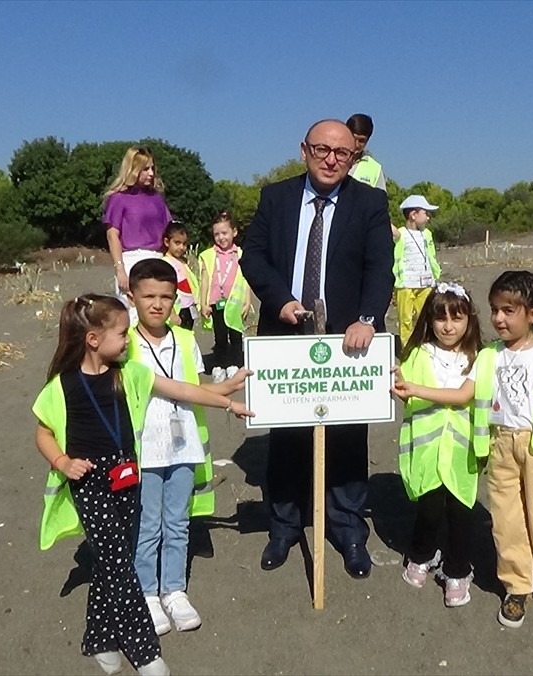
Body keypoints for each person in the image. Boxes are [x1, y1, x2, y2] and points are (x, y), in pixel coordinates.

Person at [31, 293, 252, 676]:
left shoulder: (131, 373)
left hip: (127, 475)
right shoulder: (62, 386)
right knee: (120, 564)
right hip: (89, 480)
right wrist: (62, 461)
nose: (129, 339)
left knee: (111, 559)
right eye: (121, 333)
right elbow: (43, 432)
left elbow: (183, 389)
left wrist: (227, 399)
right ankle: (145, 650)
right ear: (94, 340)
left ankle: (99, 637)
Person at [239, 118, 394, 578]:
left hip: (349, 341)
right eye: (323, 150)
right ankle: (284, 527)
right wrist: (280, 300)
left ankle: (347, 528)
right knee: (287, 438)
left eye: (342, 154)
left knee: (347, 438)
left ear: (354, 158)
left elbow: (379, 267)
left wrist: (366, 318)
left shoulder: (370, 202)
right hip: (286, 336)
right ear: (304, 150)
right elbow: (255, 256)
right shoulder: (276, 197)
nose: (331, 160)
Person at [393, 271, 533, 628]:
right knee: (506, 522)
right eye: (495, 310)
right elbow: (464, 395)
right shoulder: (488, 356)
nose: (499, 318)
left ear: (532, 315)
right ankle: (516, 586)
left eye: (509, 311)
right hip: (499, 447)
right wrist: (413, 388)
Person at [125, 259, 248, 636]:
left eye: (166, 296)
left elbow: (193, 387)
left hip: (183, 448)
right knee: (147, 525)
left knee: (177, 522)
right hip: (144, 450)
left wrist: (228, 386)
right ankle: (146, 593)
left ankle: (174, 590)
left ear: (177, 299)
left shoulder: (185, 340)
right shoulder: (124, 342)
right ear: (132, 297)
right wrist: (226, 400)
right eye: (148, 296)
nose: (157, 304)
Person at [393, 282, 484, 608]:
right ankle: (421, 554)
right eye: (441, 319)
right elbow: (400, 388)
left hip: (462, 452)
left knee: (461, 512)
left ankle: (458, 569)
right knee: (429, 508)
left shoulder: (479, 358)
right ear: (429, 321)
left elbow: (464, 398)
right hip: (428, 450)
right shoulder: (418, 355)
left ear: (469, 320)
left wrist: (414, 388)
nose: (448, 327)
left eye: (457, 319)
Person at [102, 146, 173, 306]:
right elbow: (112, 235)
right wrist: (120, 270)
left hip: (158, 258)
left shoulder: (157, 198)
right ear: (133, 170)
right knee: (133, 315)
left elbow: (170, 230)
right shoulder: (119, 198)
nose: (151, 173)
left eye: (152, 168)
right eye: (145, 169)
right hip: (132, 260)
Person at [197, 212, 250, 380]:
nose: (221, 237)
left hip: (235, 303)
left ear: (234, 232)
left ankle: (234, 363)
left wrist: (247, 302)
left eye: (224, 233)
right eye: (216, 234)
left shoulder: (242, 254)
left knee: (235, 335)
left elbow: (246, 280)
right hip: (216, 302)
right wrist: (203, 303)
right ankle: (219, 364)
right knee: (219, 336)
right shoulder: (208, 255)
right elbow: (204, 281)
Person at [394, 195, 441, 344]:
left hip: (425, 284)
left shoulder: (427, 234)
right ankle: (407, 348)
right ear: (413, 215)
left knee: (425, 317)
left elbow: (431, 255)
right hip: (405, 285)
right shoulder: (401, 233)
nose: (428, 218)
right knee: (405, 320)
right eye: (425, 213)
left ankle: (424, 345)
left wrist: (435, 274)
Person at [159, 222, 198, 330]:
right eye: (177, 243)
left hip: (188, 308)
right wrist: (172, 313)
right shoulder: (165, 263)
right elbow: (164, 290)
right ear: (167, 242)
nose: (181, 247)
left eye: (184, 244)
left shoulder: (183, 262)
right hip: (177, 309)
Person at [347, 114, 387, 192]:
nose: (356, 144)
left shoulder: (375, 169)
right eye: (353, 138)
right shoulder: (332, 158)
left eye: (361, 141)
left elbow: (379, 200)